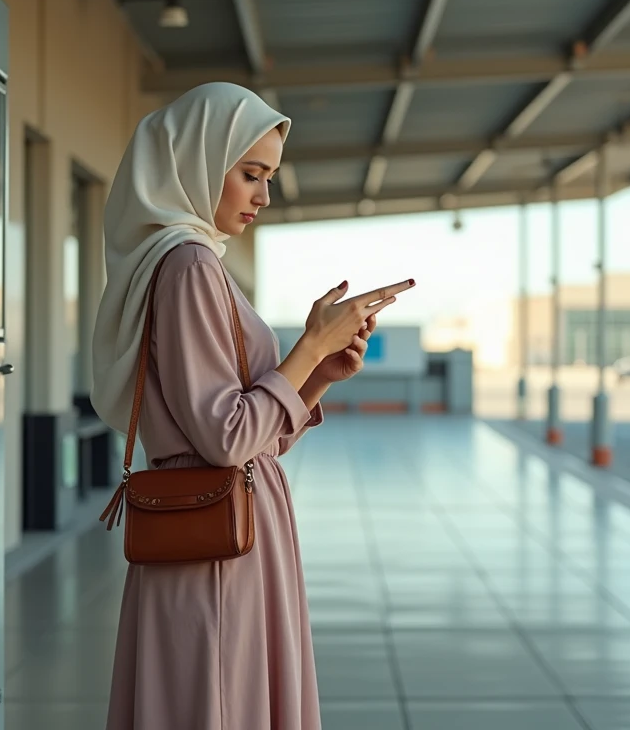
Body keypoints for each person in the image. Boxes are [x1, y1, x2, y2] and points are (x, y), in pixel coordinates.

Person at [90, 82, 414, 730]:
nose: (264, 196)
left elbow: (254, 435)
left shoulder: (189, 261)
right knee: (220, 700)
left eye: (269, 178)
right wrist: (309, 346)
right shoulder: (189, 265)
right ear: (198, 162)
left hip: (221, 529)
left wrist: (316, 375)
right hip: (215, 545)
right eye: (250, 174)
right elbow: (227, 439)